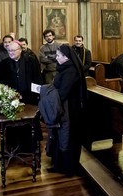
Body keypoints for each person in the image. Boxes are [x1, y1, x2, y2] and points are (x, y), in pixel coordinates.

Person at [44, 44, 87, 177]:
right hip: (63, 108)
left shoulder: (71, 71)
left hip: (70, 110)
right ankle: (58, 165)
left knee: (69, 138)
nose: (56, 58)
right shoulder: (64, 69)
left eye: (58, 56)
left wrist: (48, 92)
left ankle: (69, 168)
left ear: (66, 57)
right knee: (59, 136)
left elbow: (63, 92)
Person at [0, 40, 43, 152]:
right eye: (9, 50)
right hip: (12, 99)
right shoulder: (4, 64)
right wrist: (9, 95)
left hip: (29, 98)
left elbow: (37, 78)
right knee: (13, 123)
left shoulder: (31, 61)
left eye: (13, 50)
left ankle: (30, 145)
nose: (11, 52)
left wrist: (36, 95)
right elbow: (0, 82)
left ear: (20, 50)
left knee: (29, 122)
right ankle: (14, 146)